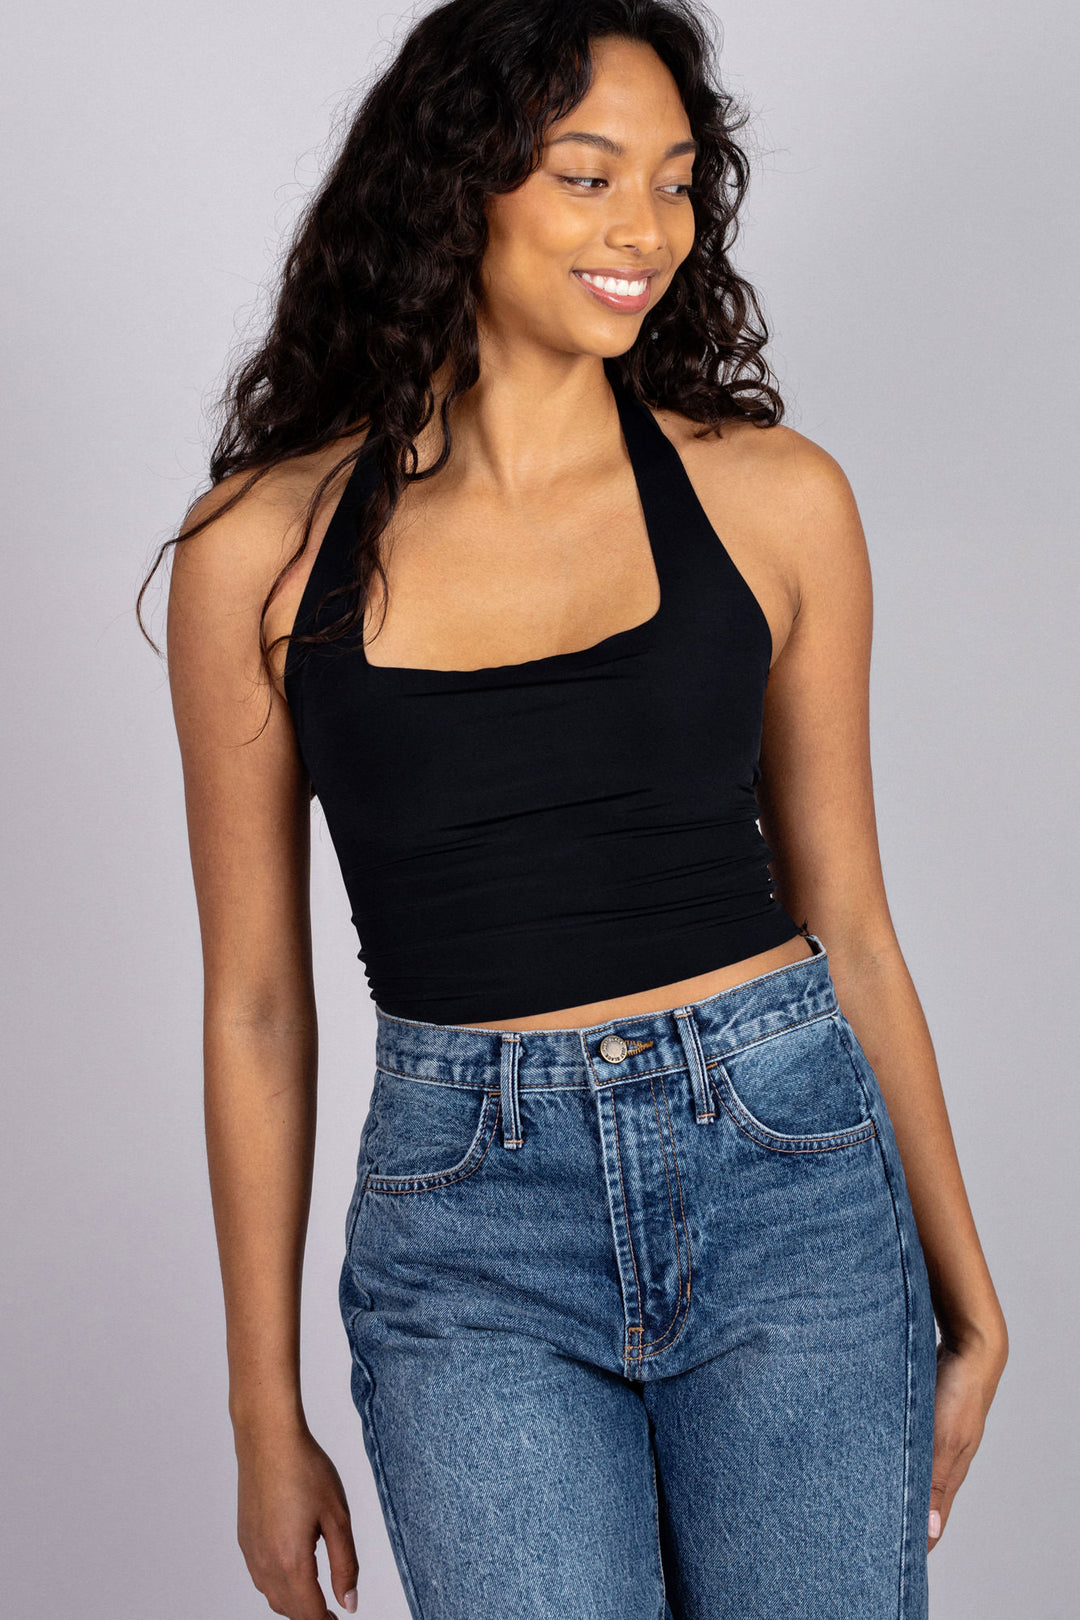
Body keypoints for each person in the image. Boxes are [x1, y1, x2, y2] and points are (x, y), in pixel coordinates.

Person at [140, 2, 1008, 1615]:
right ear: (459, 188)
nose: (644, 230)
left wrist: (974, 1292)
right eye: (589, 175)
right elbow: (256, 1005)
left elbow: (855, 927)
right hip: (468, 1234)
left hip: (789, 1177)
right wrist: (264, 1405)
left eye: (678, 183)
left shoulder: (776, 498)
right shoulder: (257, 550)